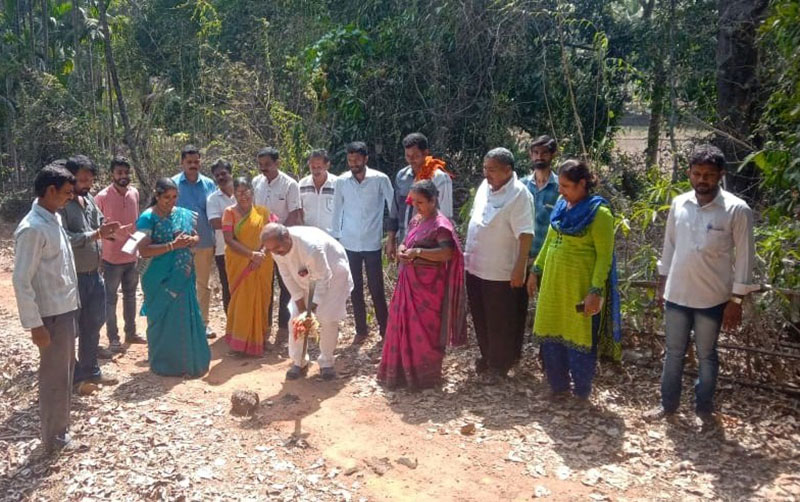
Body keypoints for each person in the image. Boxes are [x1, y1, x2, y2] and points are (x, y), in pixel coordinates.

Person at [644, 144, 756, 428]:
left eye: (708, 174)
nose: (702, 180)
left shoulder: (736, 210)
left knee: (707, 355)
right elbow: (669, 246)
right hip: (677, 294)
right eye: (697, 173)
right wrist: (662, 285)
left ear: (720, 175)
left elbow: (745, 257)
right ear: (689, 174)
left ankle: (703, 409)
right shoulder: (680, 203)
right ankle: (667, 406)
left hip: (712, 299)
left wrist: (737, 300)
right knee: (673, 353)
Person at [528, 159, 620, 402]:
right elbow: (550, 239)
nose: (561, 190)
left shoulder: (600, 213)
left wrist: (595, 290)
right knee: (550, 334)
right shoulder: (560, 204)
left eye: (566, 186)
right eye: (560, 185)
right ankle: (557, 386)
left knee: (580, 338)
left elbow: (604, 257)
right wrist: (536, 270)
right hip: (553, 285)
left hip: (579, 287)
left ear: (582, 184)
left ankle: (581, 392)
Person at [13, 164, 80, 453]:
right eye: (66, 193)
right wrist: (35, 324)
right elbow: (21, 280)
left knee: (64, 373)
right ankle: (54, 438)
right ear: (50, 191)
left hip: (64, 310)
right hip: (50, 316)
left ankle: (59, 431)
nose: (69, 198)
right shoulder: (32, 228)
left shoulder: (53, 218)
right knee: (54, 377)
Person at [377, 180, 467, 389]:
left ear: (433, 200)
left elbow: (447, 253)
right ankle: (399, 374)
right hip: (408, 281)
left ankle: (424, 377)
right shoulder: (416, 220)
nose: (416, 207)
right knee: (401, 326)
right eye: (413, 202)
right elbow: (406, 241)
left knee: (426, 332)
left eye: (420, 202)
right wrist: (401, 249)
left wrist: (419, 252)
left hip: (429, 289)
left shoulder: (441, 225)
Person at [464, 147, 534, 382]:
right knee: (481, 315)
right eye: (485, 168)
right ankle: (487, 357)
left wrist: (519, 268)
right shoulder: (485, 187)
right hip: (475, 265)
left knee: (500, 319)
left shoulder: (519, 194)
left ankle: (499, 365)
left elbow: (526, 234)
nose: (487, 174)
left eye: (492, 170)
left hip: (501, 270)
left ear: (508, 170)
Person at [136, 178, 211, 377]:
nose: (171, 201)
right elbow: (143, 251)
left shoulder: (182, 215)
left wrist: (191, 240)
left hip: (183, 273)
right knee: (162, 319)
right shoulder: (147, 218)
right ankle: (164, 364)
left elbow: (195, 236)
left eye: (175, 197)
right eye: (166, 197)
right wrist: (172, 246)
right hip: (158, 277)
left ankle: (188, 363)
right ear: (157, 195)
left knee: (184, 316)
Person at [262, 223, 354, 380]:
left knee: (327, 318)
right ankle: (299, 361)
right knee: (296, 319)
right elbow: (287, 276)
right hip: (304, 277)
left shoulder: (310, 247)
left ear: (286, 238)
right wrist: (300, 304)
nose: (276, 253)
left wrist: (312, 308)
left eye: (277, 248)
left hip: (333, 274)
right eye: (271, 250)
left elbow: (324, 278)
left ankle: (326, 362)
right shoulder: (276, 249)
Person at [60, 155, 119, 386]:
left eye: (90, 179)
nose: (87, 184)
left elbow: (99, 222)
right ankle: (72, 375)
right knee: (70, 329)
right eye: (82, 179)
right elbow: (64, 238)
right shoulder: (62, 205)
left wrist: (110, 230)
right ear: (71, 178)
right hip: (73, 277)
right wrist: (95, 235)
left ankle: (91, 371)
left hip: (95, 274)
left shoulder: (90, 199)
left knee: (93, 324)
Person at [330, 141, 395, 344]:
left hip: (372, 242)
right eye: (350, 160)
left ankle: (385, 330)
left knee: (377, 288)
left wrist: (391, 235)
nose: (353, 163)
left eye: (357, 159)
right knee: (354, 287)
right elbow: (337, 210)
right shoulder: (342, 181)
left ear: (366, 159)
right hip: (349, 243)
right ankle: (361, 330)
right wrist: (336, 238)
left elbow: (392, 205)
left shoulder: (379, 179)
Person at [95, 155, 145, 357]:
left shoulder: (134, 192)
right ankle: (113, 338)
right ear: (111, 174)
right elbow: (96, 227)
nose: (123, 176)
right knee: (110, 299)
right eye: (119, 173)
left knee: (131, 296)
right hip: (110, 258)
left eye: (126, 172)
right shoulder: (102, 197)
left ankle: (131, 333)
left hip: (132, 256)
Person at [252, 147, 302, 345]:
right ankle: (264, 328)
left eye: (268, 165)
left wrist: (279, 240)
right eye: (261, 165)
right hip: (261, 245)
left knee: (286, 285)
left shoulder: (290, 185)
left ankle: (283, 328)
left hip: (282, 244)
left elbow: (294, 214)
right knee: (264, 287)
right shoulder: (256, 183)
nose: (264, 169)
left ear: (277, 163)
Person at [222, 177, 274, 356]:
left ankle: (260, 338)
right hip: (240, 263)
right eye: (238, 192)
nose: (242, 196)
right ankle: (239, 343)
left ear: (252, 192)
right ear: (234, 194)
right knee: (241, 300)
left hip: (262, 262)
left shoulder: (263, 212)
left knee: (262, 299)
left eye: (246, 191)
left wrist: (261, 254)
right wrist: (251, 255)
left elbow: (271, 234)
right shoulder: (229, 213)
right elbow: (229, 240)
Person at [171, 144, 217, 338]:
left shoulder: (209, 184)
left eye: (196, 162)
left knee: (202, 285)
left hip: (205, 242)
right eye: (189, 162)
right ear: (182, 162)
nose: (193, 165)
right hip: (178, 244)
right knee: (179, 283)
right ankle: (180, 324)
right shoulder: (172, 184)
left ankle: (203, 323)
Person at [387, 132, 453, 256]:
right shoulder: (402, 176)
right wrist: (391, 239)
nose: (411, 160)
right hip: (404, 242)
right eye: (408, 156)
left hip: (429, 246)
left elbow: (446, 217)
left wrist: (440, 249)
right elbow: (395, 209)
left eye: (416, 156)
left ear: (425, 153)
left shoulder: (439, 178)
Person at [521, 135, 560, 261]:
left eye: (544, 153)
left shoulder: (561, 188)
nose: (539, 157)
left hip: (548, 259)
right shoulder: (521, 186)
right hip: (520, 258)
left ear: (553, 154)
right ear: (530, 155)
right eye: (536, 153)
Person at [207, 159, 236, 314]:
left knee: (245, 286)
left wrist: (230, 223)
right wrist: (242, 224)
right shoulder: (212, 199)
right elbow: (215, 222)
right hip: (223, 250)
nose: (220, 178)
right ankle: (231, 326)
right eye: (217, 175)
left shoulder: (243, 193)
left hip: (247, 248)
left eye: (223, 173)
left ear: (231, 173)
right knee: (228, 287)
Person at [298, 149, 338, 234]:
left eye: (319, 167)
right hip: (309, 237)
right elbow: (299, 211)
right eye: (313, 167)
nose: (316, 170)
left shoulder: (337, 184)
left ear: (327, 165)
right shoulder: (302, 185)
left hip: (331, 237)